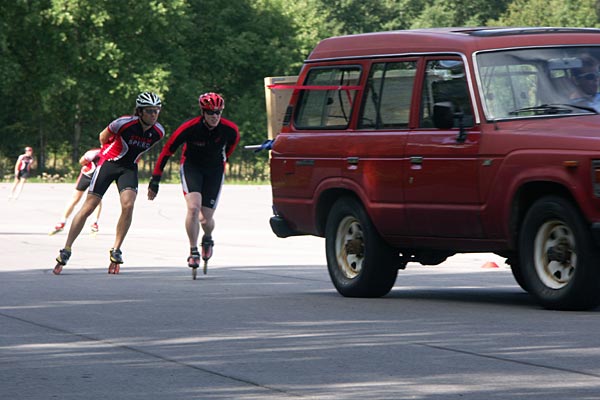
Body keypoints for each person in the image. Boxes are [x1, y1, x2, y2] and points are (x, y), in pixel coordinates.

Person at [53, 92, 165, 275]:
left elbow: (140, 151)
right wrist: (109, 153)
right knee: (89, 207)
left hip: (129, 168)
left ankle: (116, 249)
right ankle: (66, 248)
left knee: (128, 205)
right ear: (140, 111)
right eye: (150, 111)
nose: (154, 115)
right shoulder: (123, 123)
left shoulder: (158, 132)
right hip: (109, 164)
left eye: (157, 111)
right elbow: (102, 138)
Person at [148, 92, 239, 270]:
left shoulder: (230, 129)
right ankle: (193, 250)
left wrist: (221, 161)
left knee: (205, 219)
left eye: (218, 113)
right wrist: (155, 179)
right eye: (211, 113)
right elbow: (168, 150)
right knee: (193, 207)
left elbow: (230, 148)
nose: (215, 117)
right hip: (192, 167)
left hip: (214, 169)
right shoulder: (189, 128)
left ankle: (208, 237)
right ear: (203, 112)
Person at [50, 148, 103, 235]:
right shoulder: (95, 152)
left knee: (97, 200)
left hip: (97, 178)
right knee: (75, 199)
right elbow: (82, 161)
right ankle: (62, 221)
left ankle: (94, 223)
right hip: (86, 176)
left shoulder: (111, 154)